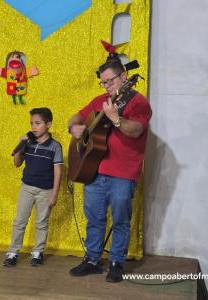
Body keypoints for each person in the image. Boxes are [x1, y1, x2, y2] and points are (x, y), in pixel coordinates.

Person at [68, 59, 152, 282]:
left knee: (121, 220)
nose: (106, 86)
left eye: (110, 81)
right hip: (94, 170)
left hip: (123, 174)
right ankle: (93, 260)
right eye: (103, 83)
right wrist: (74, 127)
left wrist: (116, 119)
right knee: (94, 218)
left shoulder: (138, 102)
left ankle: (116, 262)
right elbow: (76, 117)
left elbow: (135, 131)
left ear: (123, 77)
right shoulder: (99, 101)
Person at [4, 107, 63, 267]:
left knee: (42, 222)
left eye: (38, 123)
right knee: (19, 221)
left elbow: (58, 171)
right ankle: (13, 252)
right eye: (32, 123)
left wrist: (54, 194)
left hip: (46, 190)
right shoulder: (28, 143)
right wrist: (21, 145)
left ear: (48, 124)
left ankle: (37, 252)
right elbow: (17, 163)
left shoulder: (55, 146)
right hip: (27, 187)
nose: (34, 127)